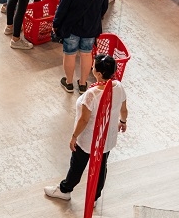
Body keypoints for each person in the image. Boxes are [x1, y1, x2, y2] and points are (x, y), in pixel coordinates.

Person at [44, 54, 128, 204]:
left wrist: (74, 136)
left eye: (94, 66)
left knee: (77, 166)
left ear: (99, 73)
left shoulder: (92, 94)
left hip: (88, 139)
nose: (92, 67)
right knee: (101, 167)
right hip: (107, 137)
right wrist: (123, 121)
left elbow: (84, 119)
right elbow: (124, 108)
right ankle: (94, 197)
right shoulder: (119, 87)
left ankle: (65, 190)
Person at [53, 0, 110, 93]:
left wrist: (56, 25)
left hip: (72, 28)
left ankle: (69, 83)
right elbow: (104, 7)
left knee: (70, 54)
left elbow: (62, 9)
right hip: (91, 28)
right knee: (86, 54)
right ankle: (83, 84)